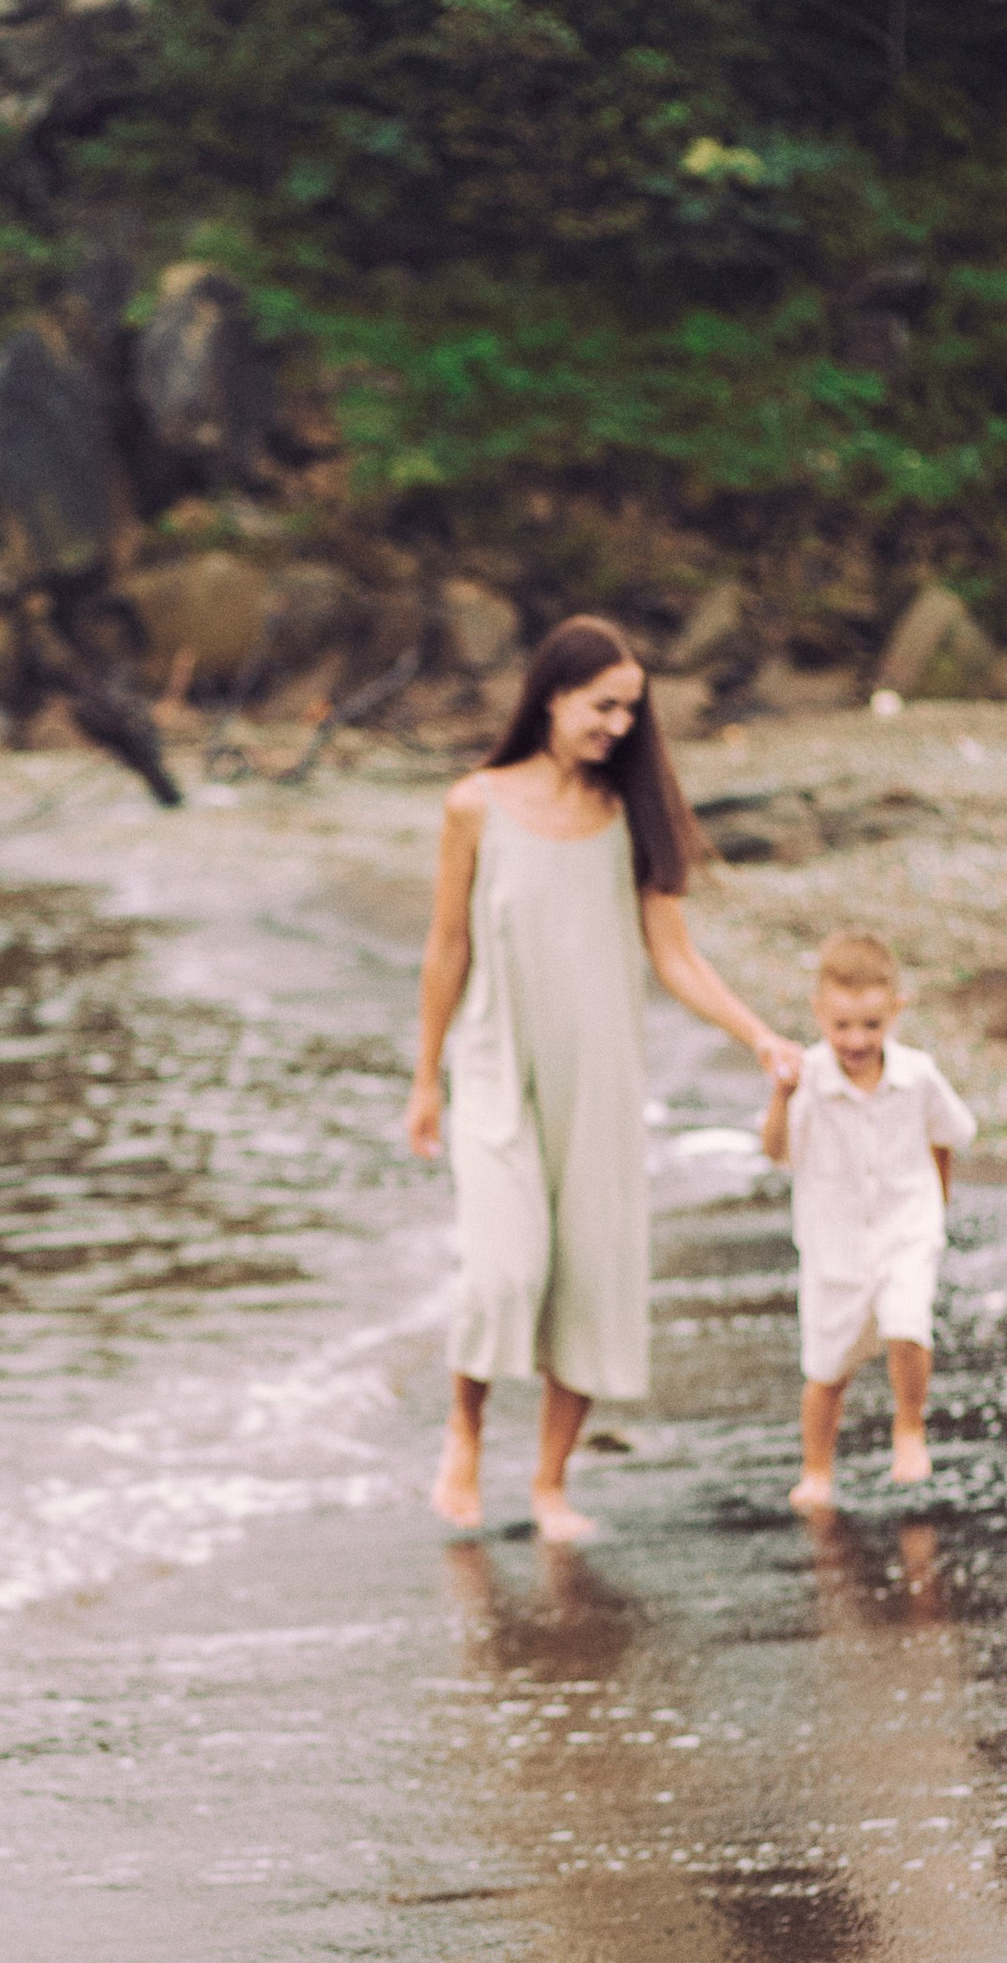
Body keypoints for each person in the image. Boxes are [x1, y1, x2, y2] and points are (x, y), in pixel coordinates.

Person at [407, 613, 801, 1539]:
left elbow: (677, 958)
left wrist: (759, 1036)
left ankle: (549, 1487)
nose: (618, 727)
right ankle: (463, 1432)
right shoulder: (475, 805)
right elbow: (447, 946)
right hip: (499, 1063)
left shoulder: (630, 818)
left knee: (590, 1280)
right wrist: (425, 1077)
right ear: (552, 694)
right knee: (504, 1273)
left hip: (602, 1077)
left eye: (630, 711)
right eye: (603, 706)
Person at [760, 926, 976, 1508]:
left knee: (907, 1322)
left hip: (906, 1226)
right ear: (819, 1014)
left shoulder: (918, 1075)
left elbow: (948, 1135)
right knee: (827, 1369)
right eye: (842, 1026)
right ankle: (817, 1470)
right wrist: (780, 1096)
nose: (856, 1039)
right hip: (834, 1247)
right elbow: (774, 1151)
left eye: (872, 1025)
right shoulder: (806, 1080)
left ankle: (909, 1427)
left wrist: (937, 1206)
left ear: (896, 1012)